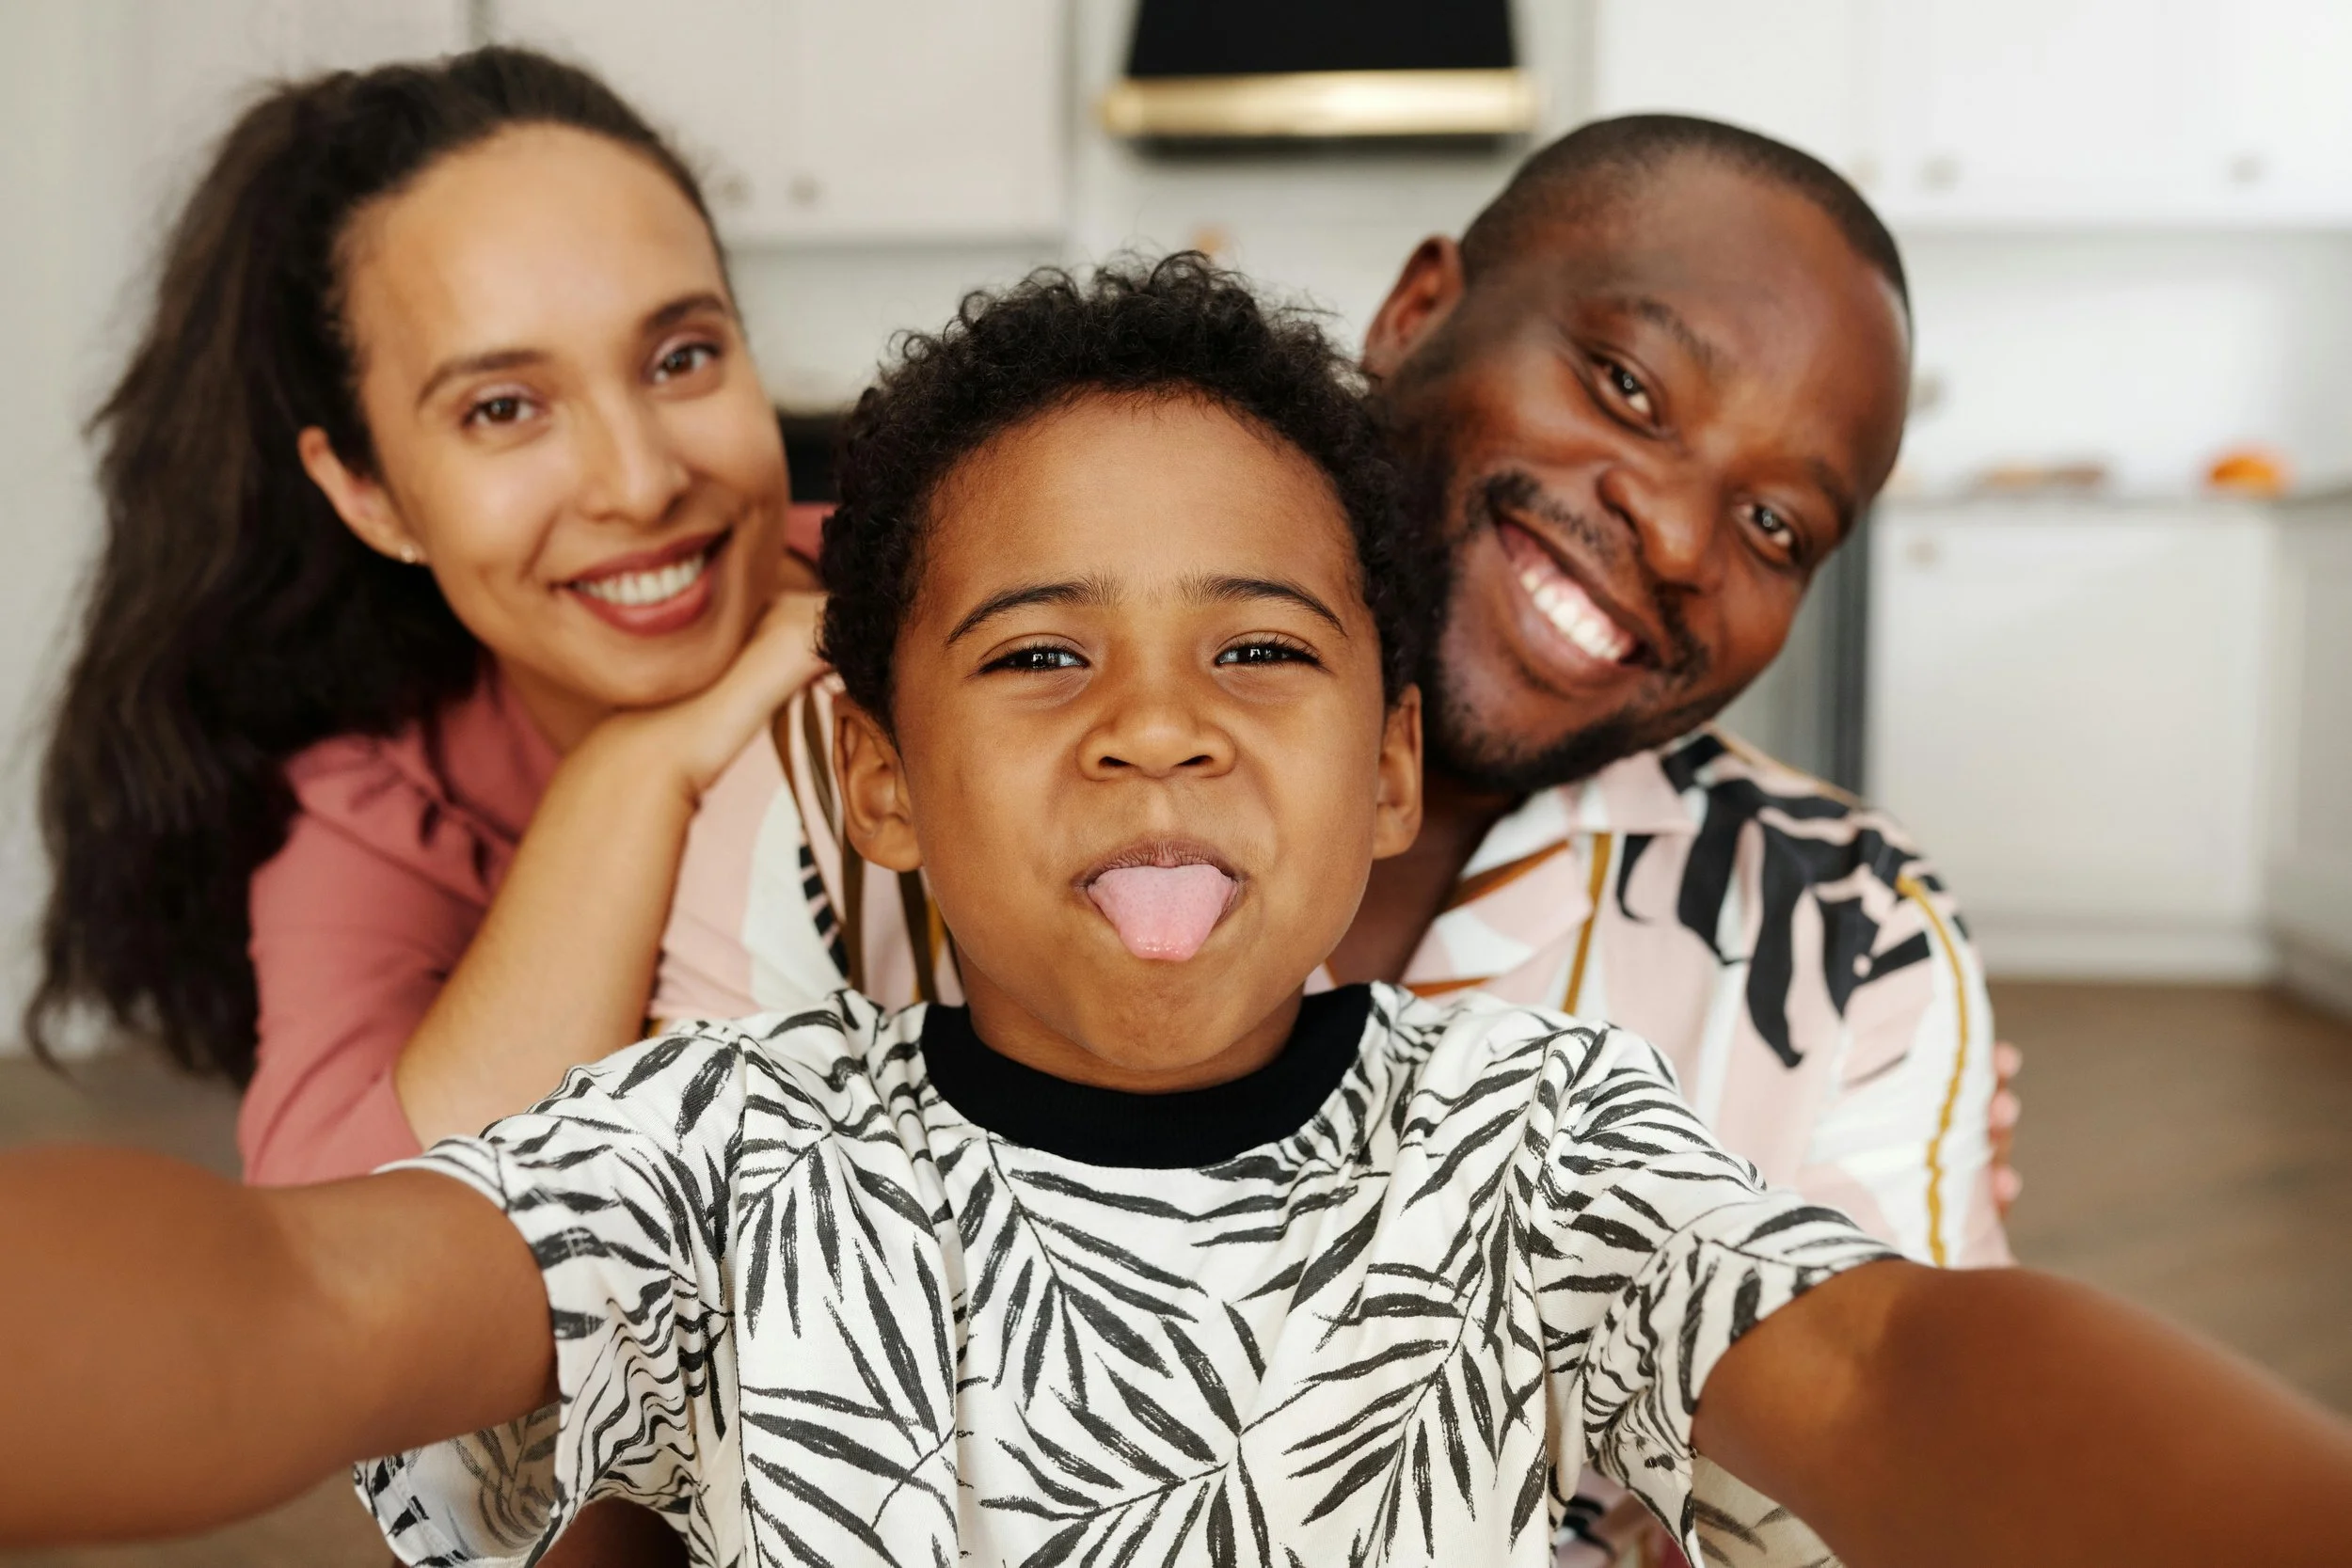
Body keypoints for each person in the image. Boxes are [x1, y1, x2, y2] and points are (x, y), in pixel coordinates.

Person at [3, 259, 2345, 1568]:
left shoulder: (1538, 1135)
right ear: (880, 783)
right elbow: (298, 1294)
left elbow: (1892, 1365)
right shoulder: (718, 1149)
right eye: (1037, 655)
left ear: (1387, 772)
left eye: (1260, 647)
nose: (1155, 726)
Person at [657, 123, 2005, 1558]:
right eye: (1626, 385)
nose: (1677, 537)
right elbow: (676, 1395)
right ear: (1421, 313)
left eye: (1776, 524)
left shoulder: (1847, 936)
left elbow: (1886, 1460)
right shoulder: (846, 792)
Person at [27, 45, 821, 1563]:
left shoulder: (965, 602)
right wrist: (639, 766)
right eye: (506, 408)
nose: (641, 478)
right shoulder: (380, 798)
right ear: (371, 491)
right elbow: (345, 1253)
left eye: (680, 357)